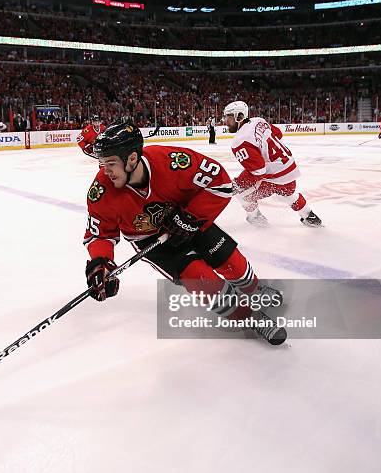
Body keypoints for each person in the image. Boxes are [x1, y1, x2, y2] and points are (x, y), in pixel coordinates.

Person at [83, 121, 286, 345]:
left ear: (131, 158)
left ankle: (253, 290)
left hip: (188, 217)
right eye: (102, 164)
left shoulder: (172, 162)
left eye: (110, 163)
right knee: (199, 277)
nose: (105, 171)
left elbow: (220, 183)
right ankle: (249, 318)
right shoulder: (101, 191)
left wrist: (191, 217)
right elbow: (99, 234)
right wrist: (100, 262)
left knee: (231, 262)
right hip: (149, 239)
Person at [223, 100, 322, 227]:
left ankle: (257, 219)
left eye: (228, 117)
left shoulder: (240, 141)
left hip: (275, 177)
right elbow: (278, 134)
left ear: (239, 117)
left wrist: (237, 184)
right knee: (289, 194)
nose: (225, 122)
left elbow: (258, 171)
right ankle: (310, 216)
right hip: (289, 167)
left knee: (243, 195)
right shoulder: (258, 121)